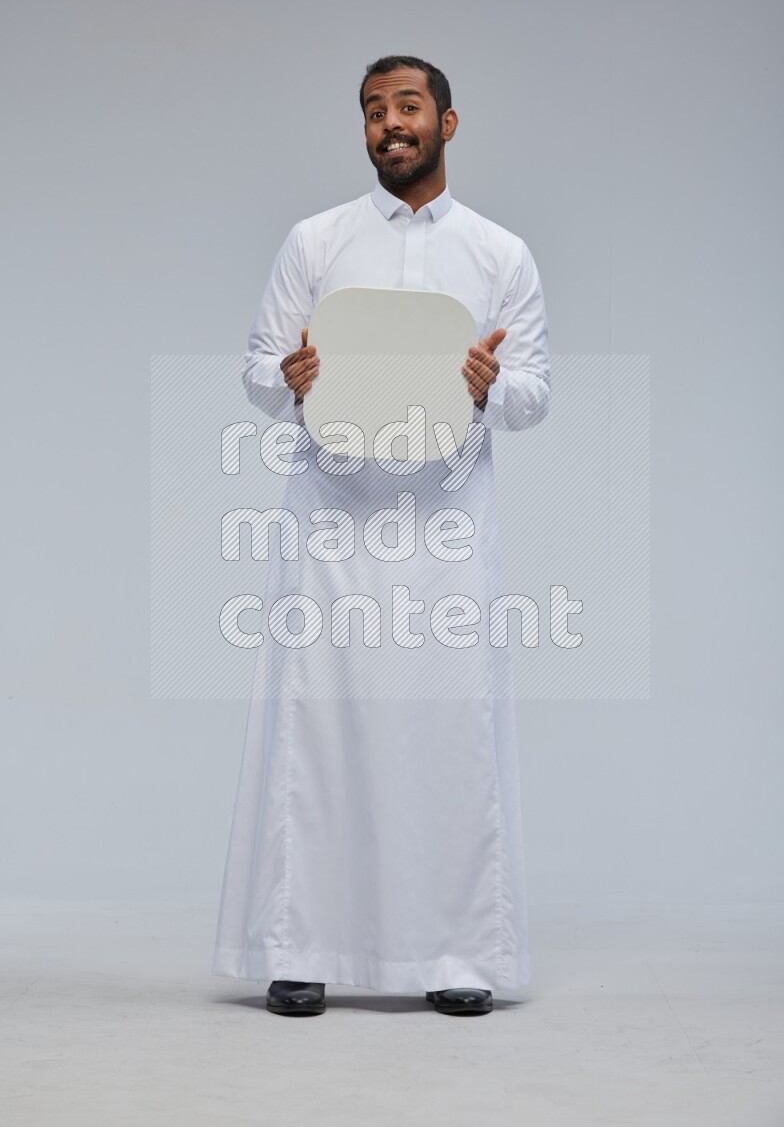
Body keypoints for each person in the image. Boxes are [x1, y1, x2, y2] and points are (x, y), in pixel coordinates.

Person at [212, 54, 551, 1017]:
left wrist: (492, 386)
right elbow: (259, 369)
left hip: (447, 527)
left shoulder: (500, 255)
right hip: (332, 520)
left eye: (408, 106)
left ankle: (457, 953)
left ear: (448, 122)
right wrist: (290, 376)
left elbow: (535, 393)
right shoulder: (316, 242)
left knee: (450, 729)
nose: (390, 123)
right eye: (373, 110)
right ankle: (301, 945)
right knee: (318, 727)